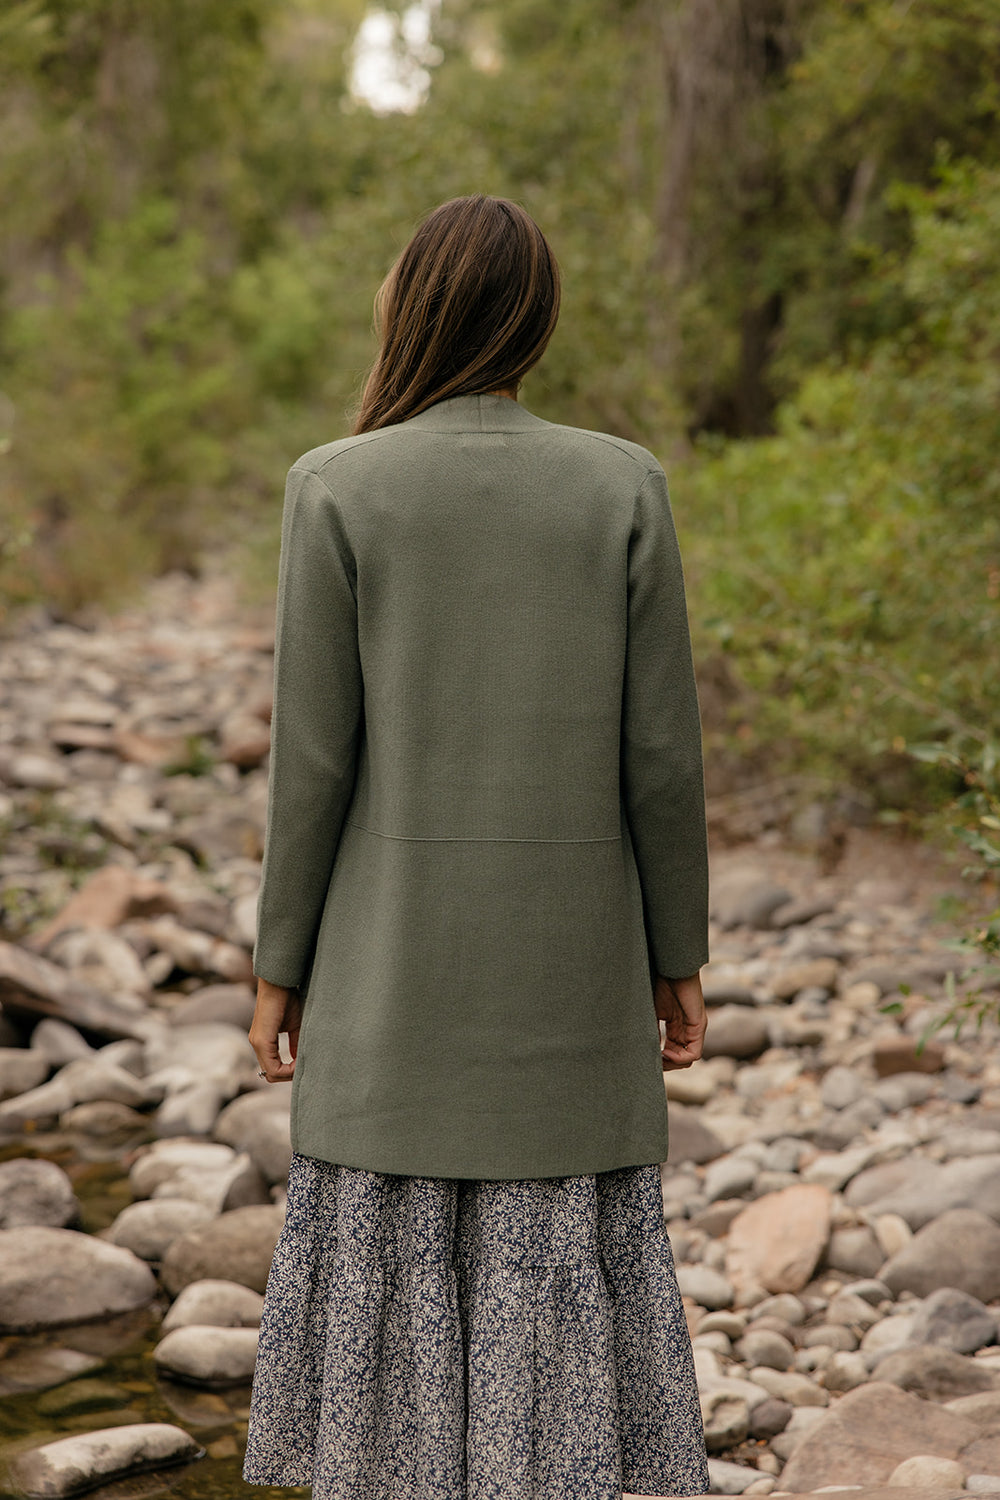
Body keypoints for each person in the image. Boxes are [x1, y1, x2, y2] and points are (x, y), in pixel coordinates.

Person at [242, 194, 711, 1500]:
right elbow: (663, 760)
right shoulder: (624, 484)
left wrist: (280, 964)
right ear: (538, 318)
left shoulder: (335, 486)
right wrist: (678, 955)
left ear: (411, 307)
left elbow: (314, 770)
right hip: (569, 996)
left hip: (389, 1003)